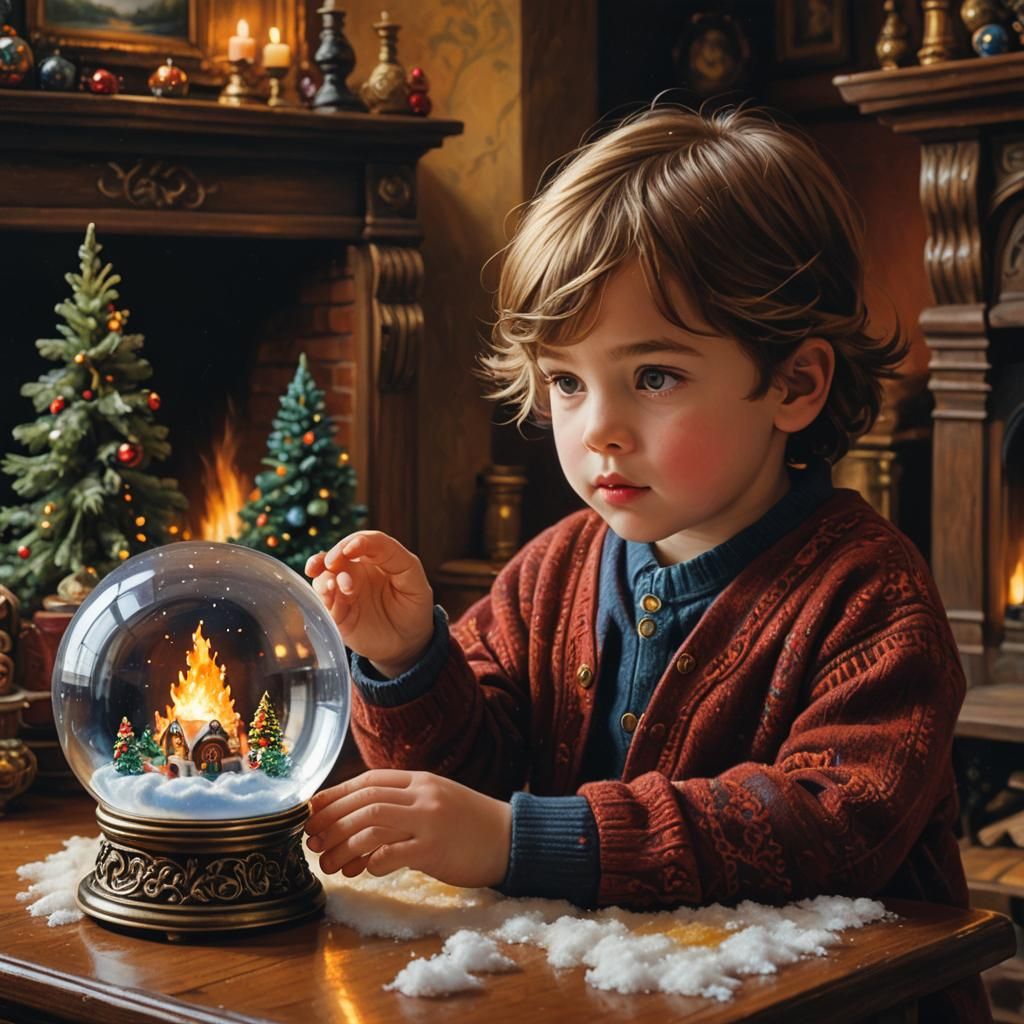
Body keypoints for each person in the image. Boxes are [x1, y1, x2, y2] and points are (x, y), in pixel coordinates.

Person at [305, 105, 986, 1021]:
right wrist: (407, 664)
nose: (600, 432)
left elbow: (824, 828)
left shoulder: (871, 596)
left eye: (654, 376)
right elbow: (476, 767)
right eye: (568, 382)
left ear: (795, 383)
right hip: (602, 997)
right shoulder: (551, 570)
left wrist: (518, 842)